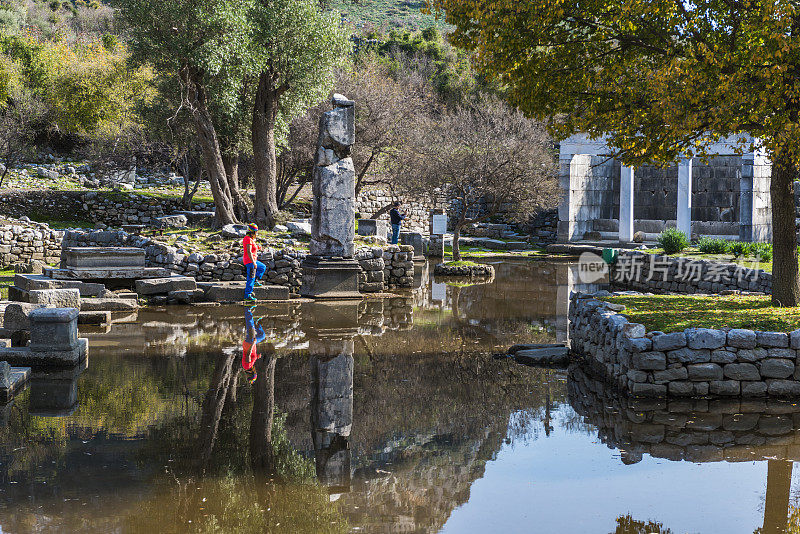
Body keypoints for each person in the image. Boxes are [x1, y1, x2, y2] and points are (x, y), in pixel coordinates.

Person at [242, 307, 267, 384]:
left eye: (255, 372)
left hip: (250, 343)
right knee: (261, 335)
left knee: (250, 326)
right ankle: (256, 323)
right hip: (249, 344)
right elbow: (252, 357)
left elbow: (248, 355)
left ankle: (247, 308)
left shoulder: (248, 366)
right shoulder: (248, 366)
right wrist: (257, 356)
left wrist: (253, 343)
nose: (255, 370)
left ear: (252, 373)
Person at [243, 223, 266, 302]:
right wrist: (253, 263)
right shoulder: (248, 239)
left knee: (262, 267)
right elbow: (249, 252)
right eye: (256, 231)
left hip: (253, 260)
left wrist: (258, 248)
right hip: (250, 261)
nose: (257, 233)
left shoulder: (251, 239)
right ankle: (247, 296)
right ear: (253, 232)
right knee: (250, 278)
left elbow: (252, 248)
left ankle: (256, 281)